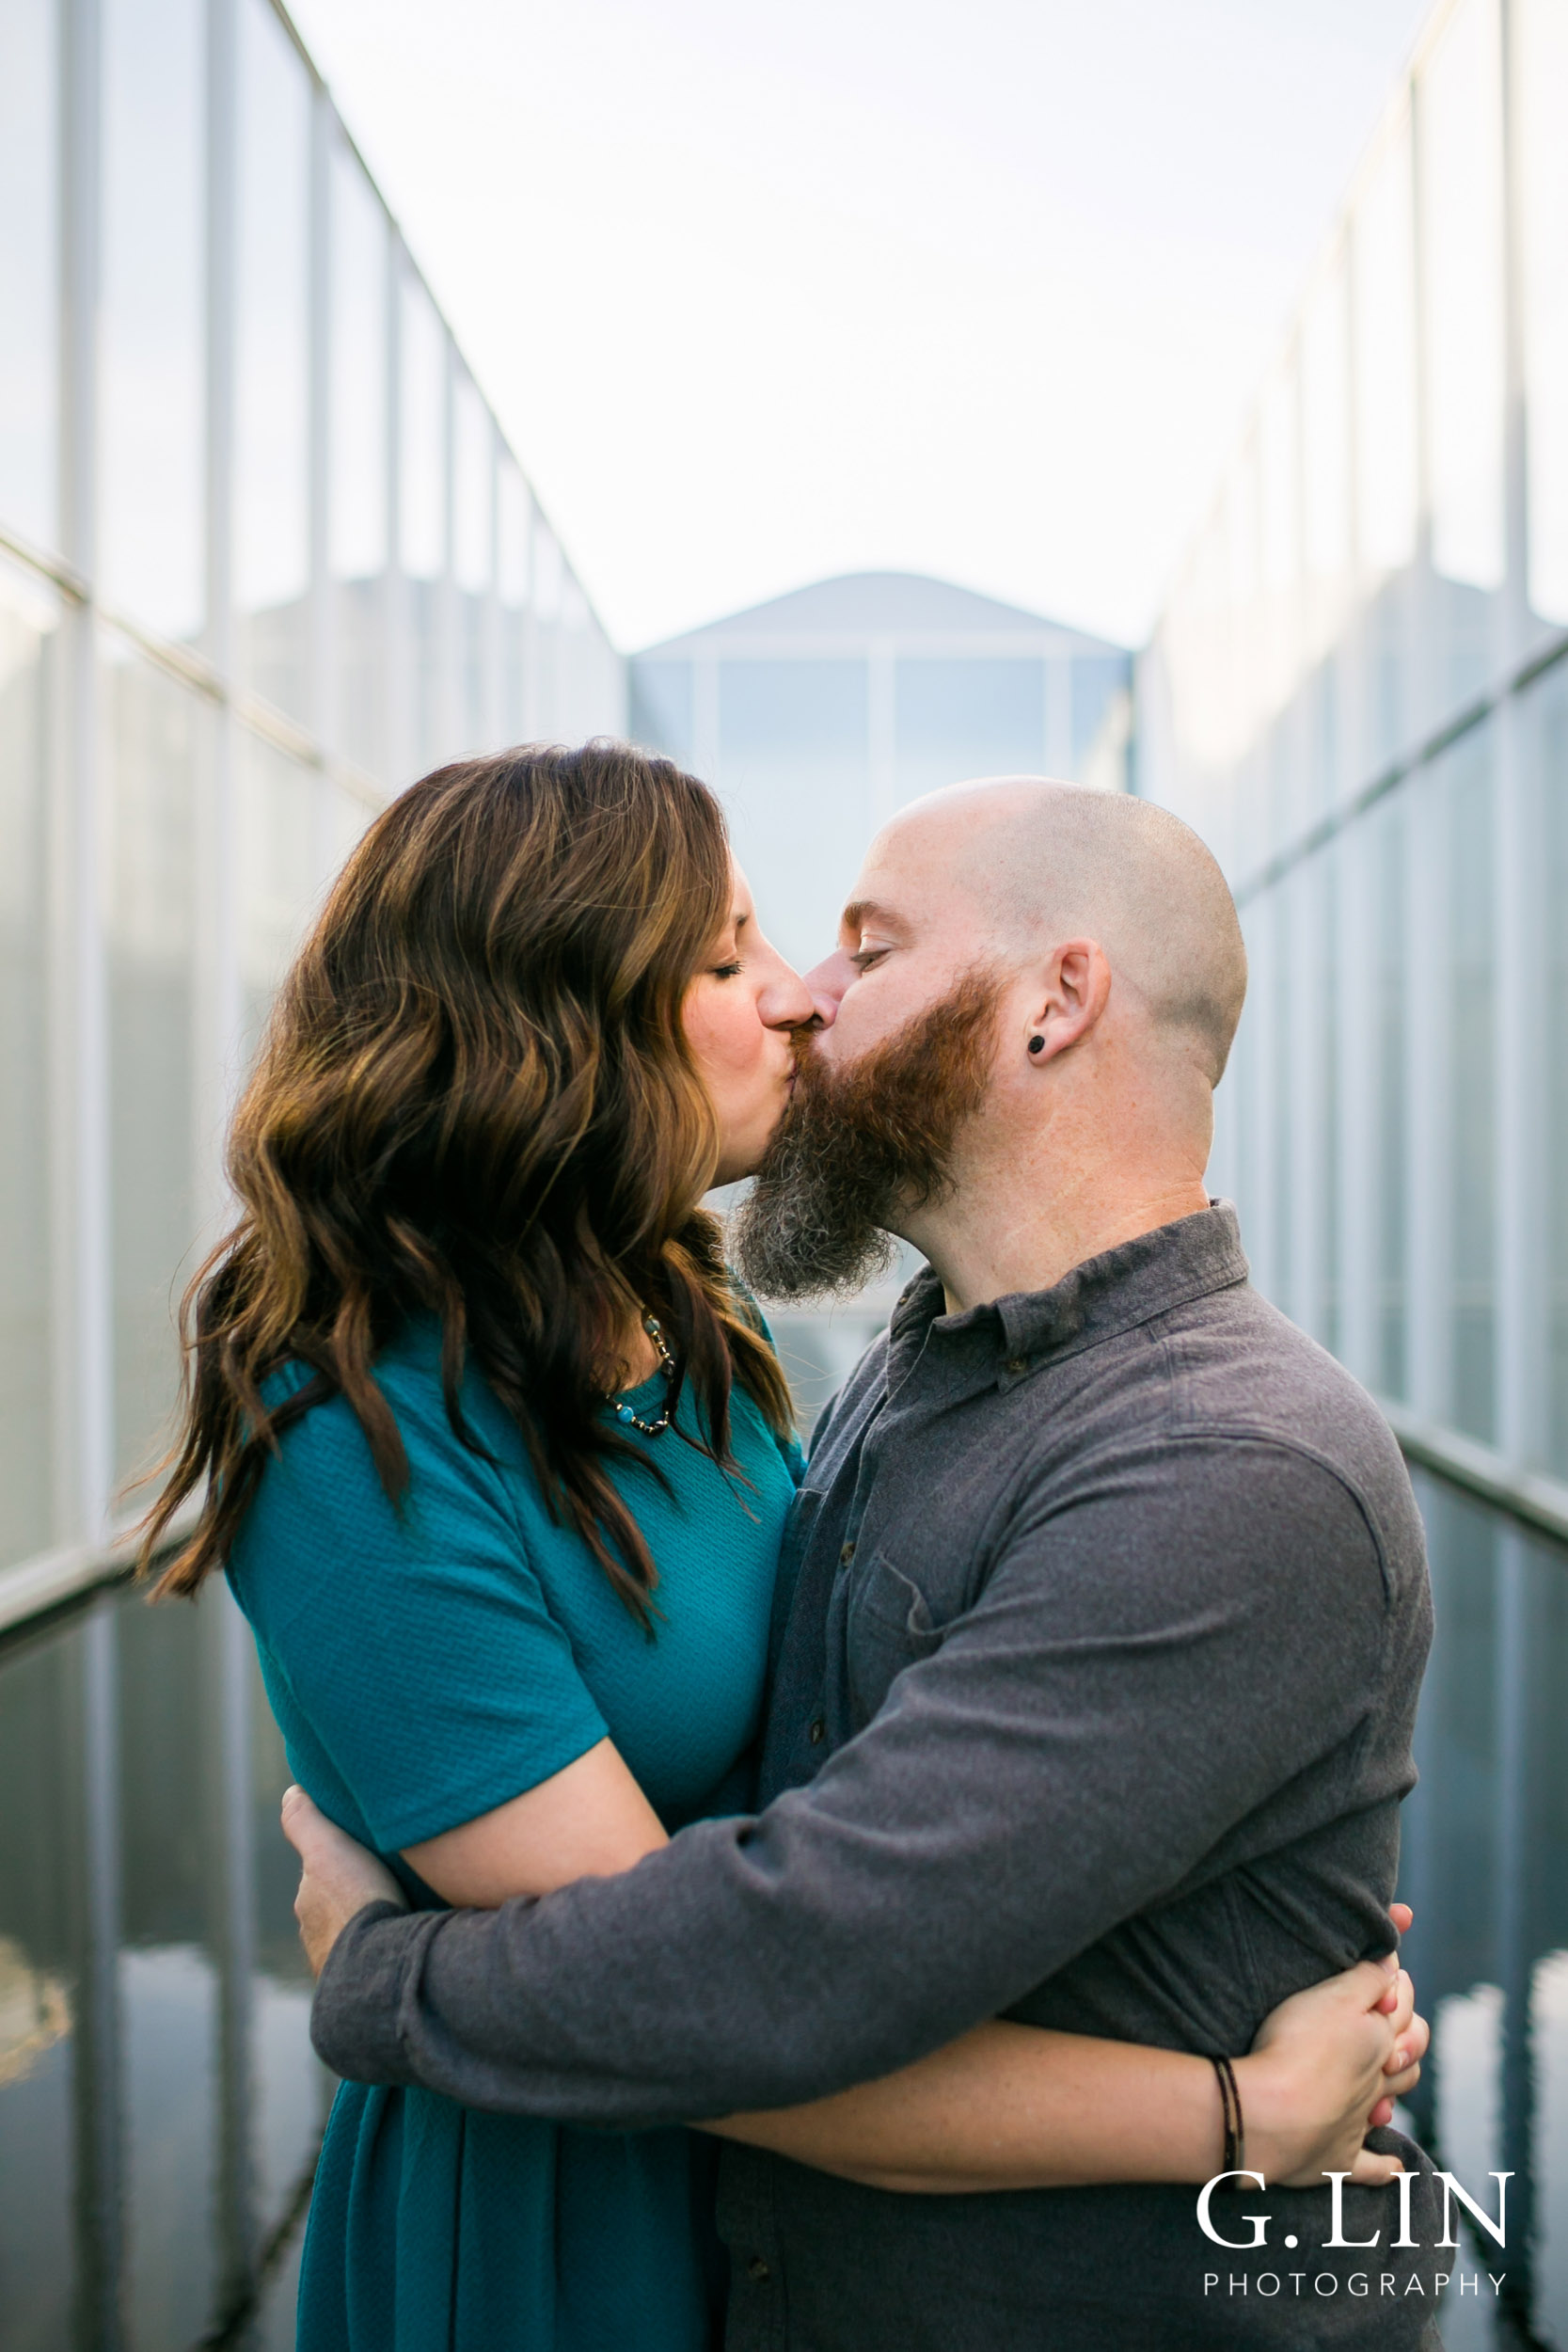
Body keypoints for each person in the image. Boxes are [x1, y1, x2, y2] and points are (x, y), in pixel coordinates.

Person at [285, 773, 1446, 2350]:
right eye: (746, 954)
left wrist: (380, 1976)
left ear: (1054, 1004)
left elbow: (797, 1955)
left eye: (864, 948)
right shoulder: (925, 1366)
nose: (804, 1002)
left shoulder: (1228, 1466)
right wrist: (1233, 2095)